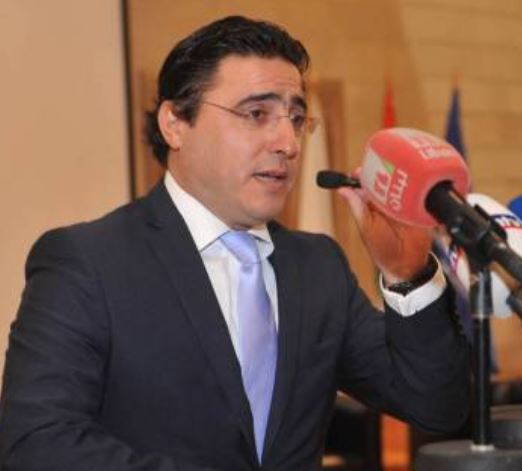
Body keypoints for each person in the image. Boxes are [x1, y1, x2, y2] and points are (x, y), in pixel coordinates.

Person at [0, 16, 469, 470]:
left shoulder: (317, 266)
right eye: (256, 114)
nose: (288, 143)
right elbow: (36, 442)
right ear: (174, 123)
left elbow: (435, 407)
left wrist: (407, 276)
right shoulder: (88, 262)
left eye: (297, 117)